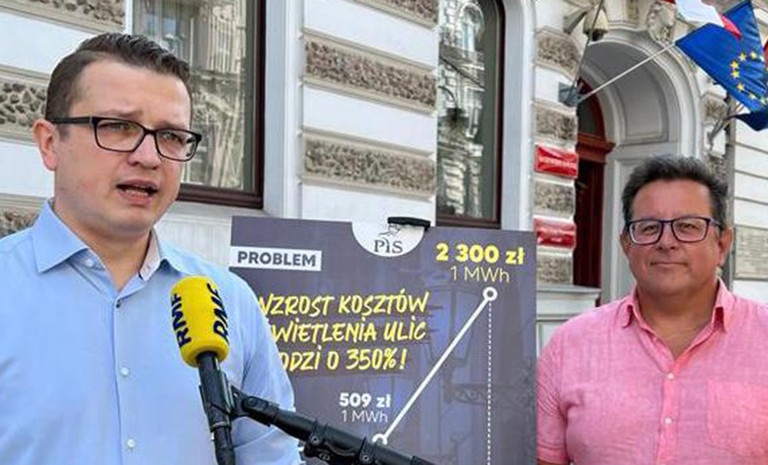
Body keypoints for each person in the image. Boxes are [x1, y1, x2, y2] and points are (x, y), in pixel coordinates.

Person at [0, 33, 300, 464]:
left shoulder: (231, 302)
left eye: (172, 136)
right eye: (118, 127)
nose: (149, 157)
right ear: (50, 143)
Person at [537, 155, 768, 464]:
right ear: (626, 245)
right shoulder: (570, 346)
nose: (666, 242)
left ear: (722, 245)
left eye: (688, 226)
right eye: (648, 228)